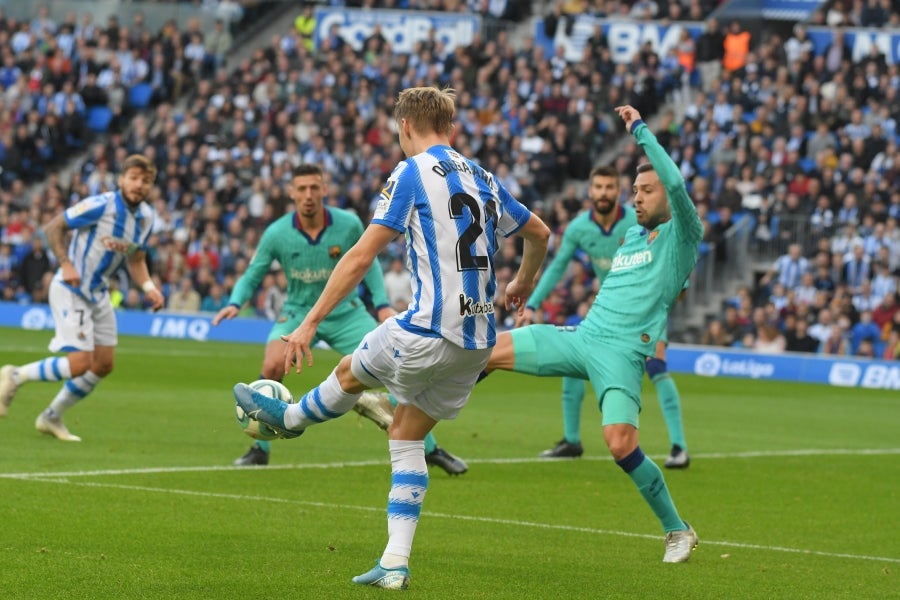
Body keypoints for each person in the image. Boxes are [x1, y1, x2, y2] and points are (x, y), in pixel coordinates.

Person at [232, 86, 550, 589]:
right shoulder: (485, 177)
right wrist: (524, 282)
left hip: (427, 329)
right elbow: (540, 232)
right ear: (451, 127)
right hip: (479, 342)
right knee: (405, 435)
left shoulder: (410, 172)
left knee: (347, 374)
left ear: (405, 126)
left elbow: (359, 257)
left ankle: (287, 420)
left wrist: (310, 321)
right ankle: (395, 564)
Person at [481, 106, 702, 563]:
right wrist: (534, 300)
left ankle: (677, 529)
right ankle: (421, 400)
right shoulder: (633, 238)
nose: (635, 199)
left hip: (622, 355)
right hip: (583, 338)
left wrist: (640, 131)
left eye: (645, 191)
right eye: (634, 191)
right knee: (485, 351)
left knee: (621, 443)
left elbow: (676, 185)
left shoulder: (683, 233)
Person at [213, 164, 468, 475]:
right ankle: (259, 448)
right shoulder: (276, 233)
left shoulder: (347, 224)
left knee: (394, 369)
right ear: (291, 193)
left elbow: (368, 262)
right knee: (270, 367)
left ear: (324, 189)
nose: (308, 195)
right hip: (297, 313)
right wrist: (236, 301)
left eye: (314, 187)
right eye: (302, 189)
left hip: (346, 312)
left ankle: (429, 448)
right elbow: (254, 272)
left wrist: (382, 304)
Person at [517, 165, 690, 468]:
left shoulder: (639, 222)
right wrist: (531, 305)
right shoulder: (579, 228)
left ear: (619, 190)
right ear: (590, 191)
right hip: (606, 317)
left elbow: (672, 265)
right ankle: (572, 440)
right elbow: (557, 267)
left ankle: (679, 447)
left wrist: (660, 315)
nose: (604, 193)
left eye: (610, 187)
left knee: (658, 365)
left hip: (646, 313)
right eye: (598, 187)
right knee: (573, 361)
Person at [0, 155, 165, 440]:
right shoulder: (101, 205)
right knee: (80, 363)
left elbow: (136, 259)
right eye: (134, 178)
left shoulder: (147, 218)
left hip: (98, 294)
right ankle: (15, 375)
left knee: (104, 364)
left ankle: (51, 417)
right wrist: (65, 262)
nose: (139, 185)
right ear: (121, 179)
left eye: (146, 180)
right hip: (70, 289)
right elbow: (53, 227)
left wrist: (149, 287)